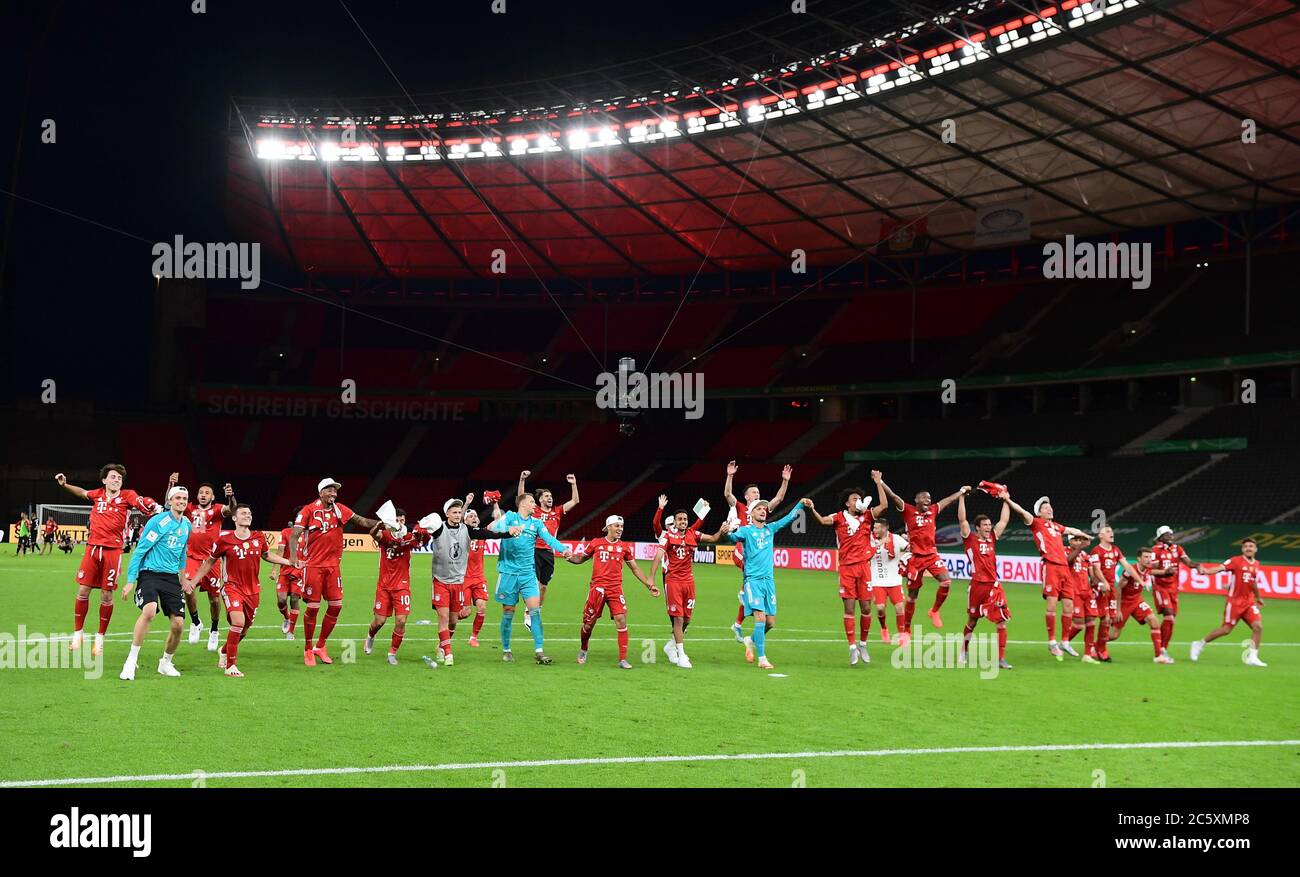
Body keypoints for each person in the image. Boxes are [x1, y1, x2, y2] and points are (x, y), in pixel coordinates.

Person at [56, 465, 157, 656]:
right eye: (112, 477)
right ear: (104, 480)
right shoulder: (98, 495)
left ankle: (100, 638)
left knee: (106, 596)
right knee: (83, 590)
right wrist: (65, 484)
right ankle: (78, 633)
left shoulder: (127, 495)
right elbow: (82, 492)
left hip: (113, 552)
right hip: (92, 549)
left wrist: (148, 505)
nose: (116, 480)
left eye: (119, 477)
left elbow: (140, 502)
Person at [184, 504, 295, 677]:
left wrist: (288, 562)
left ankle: (224, 650)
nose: (248, 515)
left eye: (249, 513)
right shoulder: (224, 540)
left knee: (243, 629)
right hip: (232, 588)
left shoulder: (258, 537)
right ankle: (231, 666)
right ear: (234, 518)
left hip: (253, 590)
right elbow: (209, 562)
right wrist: (194, 581)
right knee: (238, 622)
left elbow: (266, 555)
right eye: (243, 513)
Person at [287, 478, 382, 667]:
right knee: (313, 609)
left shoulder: (340, 509)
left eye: (335, 491)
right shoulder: (308, 510)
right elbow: (295, 534)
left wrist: (382, 523)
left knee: (336, 606)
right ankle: (307, 649)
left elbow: (362, 520)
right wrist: (292, 558)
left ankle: (320, 646)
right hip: (313, 567)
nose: (333, 494)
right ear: (321, 492)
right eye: (329, 490)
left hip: (333, 568)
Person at [802, 480, 888, 666]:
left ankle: (863, 644)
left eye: (859, 498)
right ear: (847, 503)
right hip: (847, 569)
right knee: (849, 609)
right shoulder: (839, 517)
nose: (858, 500)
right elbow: (823, 521)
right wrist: (812, 509)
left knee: (866, 608)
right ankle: (851, 648)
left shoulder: (867, 516)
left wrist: (878, 482)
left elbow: (884, 505)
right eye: (854, 498)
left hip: (864, 568)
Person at [875, 472, 967, 643]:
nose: (928, 500)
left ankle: (934, 611)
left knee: (946, 581)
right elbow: (894, 497)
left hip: (932, 555)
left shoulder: (932, 511)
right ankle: (907, 630)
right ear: (917, 500)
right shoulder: (908, 510)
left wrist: (961, 491)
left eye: (929, 498)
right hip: (916, 558)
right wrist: (880, 481)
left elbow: (947, 501)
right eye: (925, 498)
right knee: (912, 596)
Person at [1001, 494, 1092, 661]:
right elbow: (1021, 511)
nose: (1049, 509)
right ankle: (1051, 642)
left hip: (1064, 568)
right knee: (1051, 605)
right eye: (1045, 507)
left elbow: (1071, 530)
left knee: (1069, 605)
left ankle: (1065, 641)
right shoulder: (1036, 523)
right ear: (1039, 513)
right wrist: (1007, 500)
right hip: (1050, 566)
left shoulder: (1056, 527)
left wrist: (1085, 535)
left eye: (1050, 507)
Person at [119, 486, 193, 680]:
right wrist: (130, 581)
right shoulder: (158, 522)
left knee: (178, 624)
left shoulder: (186, 524)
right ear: (169, 501)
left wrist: (183, 577)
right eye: (177, 498)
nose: (181, 501)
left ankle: (166, 663)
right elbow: (140, 551)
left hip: (170, 578)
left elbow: (182, 553)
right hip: (150, 573)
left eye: (184, 498)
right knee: (150, 611)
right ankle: (130, 661)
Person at [426, 494, 510, 666]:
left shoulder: (469, 531)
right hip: (441, 580)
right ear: (447, 513)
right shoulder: (439, 529)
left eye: (459, 512)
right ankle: (448, 654)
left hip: (459, 581)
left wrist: (509, 533)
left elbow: (490, 533)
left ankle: (443, 645)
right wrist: (466, 504)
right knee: (443, 618)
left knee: (453, 621)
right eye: (454, 512)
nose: (458, 515)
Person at [567, 515, 660, 668]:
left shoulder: (624, 547)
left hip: (615, 589)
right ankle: (583, 649)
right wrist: (568, 557)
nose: (620, 529)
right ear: (608, 527)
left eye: (621, 526)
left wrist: (649, 585)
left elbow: (635, 568)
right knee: (589, 624)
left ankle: (623, 659)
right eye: (617, 526)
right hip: (597, 588)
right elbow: (580, 559)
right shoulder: (596, 543)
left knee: (621, 619)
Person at [487, 492, 570, 664]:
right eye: (532, 502)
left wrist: (563, 549)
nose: (535, 505)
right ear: (523, 504)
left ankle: (539, 651)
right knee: (508, 612)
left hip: (527, 574)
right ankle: (506, 649)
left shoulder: (537, 523)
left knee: (535, 611)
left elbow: (549, 539)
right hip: (508, 573)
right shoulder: (509, 517)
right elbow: (492, 528)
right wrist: (506, 529)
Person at [724, 498, 803, 669]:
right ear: (751, 513)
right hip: (753, 581)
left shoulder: (770, 529)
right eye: (758, 508)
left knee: (770, 623)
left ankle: (750, 639)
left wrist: (801, 504)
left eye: (764, 509)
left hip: (769, 582)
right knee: (760, 617)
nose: (762, 511)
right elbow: (732, 538)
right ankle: (762, 658)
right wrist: (726, 532)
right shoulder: (746, 531)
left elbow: (789, 517)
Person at [650, 496, 728, 668]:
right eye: (679, 519)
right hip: (672, 580)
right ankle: (681, 654)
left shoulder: (692, 534)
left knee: (686, 620)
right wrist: (651, 578)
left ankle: (671, 646)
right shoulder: (666, 536)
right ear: (674, 522)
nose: (682, 522)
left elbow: (714, 538)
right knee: (677, 618)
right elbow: (657, 553)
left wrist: (722, 531)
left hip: (689, 582)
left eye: (685, 519)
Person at [166, 474, 237, 651]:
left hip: (212, 561)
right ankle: (196, 622)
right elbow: (170, 503)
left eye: (207, 493)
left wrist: (230, 496)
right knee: (187, 589)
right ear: (197, 496)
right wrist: (171, 484)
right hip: (191, 558)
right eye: (201, 492)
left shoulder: (218, 509)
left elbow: (232, 509)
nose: (204, 495)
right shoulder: (190, 509)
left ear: (213, 497)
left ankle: (214, 629)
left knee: (214, 599)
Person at [724, 461, 792, 643]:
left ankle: (738, 623)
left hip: (755, 550)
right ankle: (744, 592)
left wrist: (785, 481)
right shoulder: (741, 508)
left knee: (753, 588)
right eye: (754, 492)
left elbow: (778, 499)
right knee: (751, 579)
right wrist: (730, 475)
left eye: (759, 493)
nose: (757, 494)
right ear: (746, 496)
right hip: (741, 548)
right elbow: (728, 494)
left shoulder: (761, 509)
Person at [956, 489, 1014, 669]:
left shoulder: (993, 539)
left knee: (1001, 619)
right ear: (978, 528)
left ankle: (1001, 658)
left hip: (993, 586)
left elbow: (1004, 520)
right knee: (972, 621)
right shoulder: (970, 539)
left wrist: (1006, 499)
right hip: (976, 587)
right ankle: (963, 650)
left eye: (990, 525)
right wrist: (961, 497)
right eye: (986, 525)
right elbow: (962, 520)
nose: (989, 527)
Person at [515, 470, 579, 629]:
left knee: (543, 586)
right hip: (533, 550)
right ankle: (529, 611)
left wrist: (574, 484)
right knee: (534, 584)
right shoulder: (534, 511)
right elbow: (521, 498)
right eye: (546, 496)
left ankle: (534, 612)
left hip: (548, 553)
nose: (549, 498)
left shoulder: (557, 511)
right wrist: (522, 480)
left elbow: (575, 501)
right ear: (540, 500)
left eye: (551, 496)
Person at [1189, 539, 1267, 667]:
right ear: (1242, 549)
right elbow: (1220, 568)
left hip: (1249, 603)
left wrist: (1258, 598)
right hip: (1235, 602)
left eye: (1251, 546)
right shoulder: (1235, 561)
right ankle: (1199, 644)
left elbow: (1253, 582)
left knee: (1258, 627)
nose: (1248, 548)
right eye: (1246, 546)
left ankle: (1252, 657)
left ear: (1256, 549)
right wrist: (1207, 571)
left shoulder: (1257, 564)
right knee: (1225, 630)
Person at [1105, 547, 1174, 664]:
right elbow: (1119, 589)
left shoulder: (1147, 568)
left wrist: (1165, 572)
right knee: (1114, 635)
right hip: (1124, 603)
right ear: (1139, 559)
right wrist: (1117, 610)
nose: (1148, 560)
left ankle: (1158, 656)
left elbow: (1152, 571)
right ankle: (1095, 645)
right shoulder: (1130, 571)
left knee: (1154, 622)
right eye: (1146, 557)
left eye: (1150, 557)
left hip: (1137, 600)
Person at [1149, 525, 1194, 662]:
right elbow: (1151, 570)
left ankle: (1163, 648)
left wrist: (1199, 567)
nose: (1170, 536)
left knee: (1171, 620)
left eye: (1171, 534)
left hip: (1173, 589)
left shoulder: (1178, 549)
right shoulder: (1155, 550)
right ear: (1160, 538)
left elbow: (1189, 563)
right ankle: (1161, 650)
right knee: (1169, 617)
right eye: (1167, 534)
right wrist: (1164, 572)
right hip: (1160, 588)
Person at [867, 516, 909, 643]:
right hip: (877, 581)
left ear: (885, 529)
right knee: (880, 609)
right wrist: (878, 545)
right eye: (873, 527)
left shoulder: (896, 539)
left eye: (876, 527)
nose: (874, 529)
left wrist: (909, 543)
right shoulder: (870, 539)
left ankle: (902, 635)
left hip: (894, 580)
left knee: (900, 607)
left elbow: (910, 548)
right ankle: (884, 628)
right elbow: (865, 553)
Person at [274, 509, 305, 639]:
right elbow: (280, 550)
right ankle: (287, 618)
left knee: (294, 599)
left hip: (300, 572)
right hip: (285, 571)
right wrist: (274, 569)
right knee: (281, 601)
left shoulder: (310, 534)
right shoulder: (286, 532)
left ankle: (291, 631)